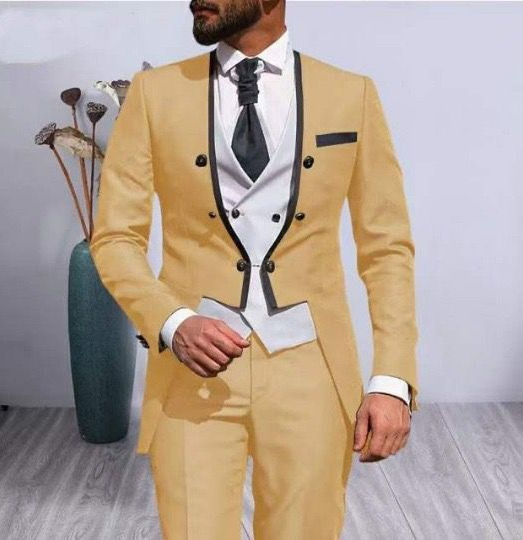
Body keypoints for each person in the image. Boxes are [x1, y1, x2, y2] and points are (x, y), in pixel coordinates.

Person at [90, 0, 419, 538]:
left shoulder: (351, 94)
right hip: (191, 369)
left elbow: (387, 249)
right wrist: (172, 321)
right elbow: (115, 238)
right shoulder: (154, 94)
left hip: (311, 365)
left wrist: (392, 380)